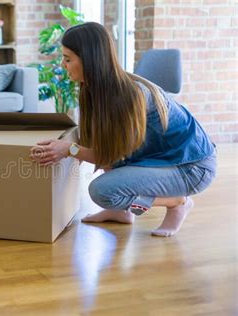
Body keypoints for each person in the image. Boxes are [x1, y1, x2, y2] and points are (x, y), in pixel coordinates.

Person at [30, 22, 217, 237]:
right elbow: (106, 149)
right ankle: (121, 212)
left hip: (192, 168)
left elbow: (108, 156)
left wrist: (70, 149)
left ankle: (177, 202)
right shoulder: (95, 89)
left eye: (68, 59)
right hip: (164, 158)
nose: (63, 64)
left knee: (102, 190)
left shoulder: (128, 96)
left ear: (89, 60)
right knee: (106, 153)